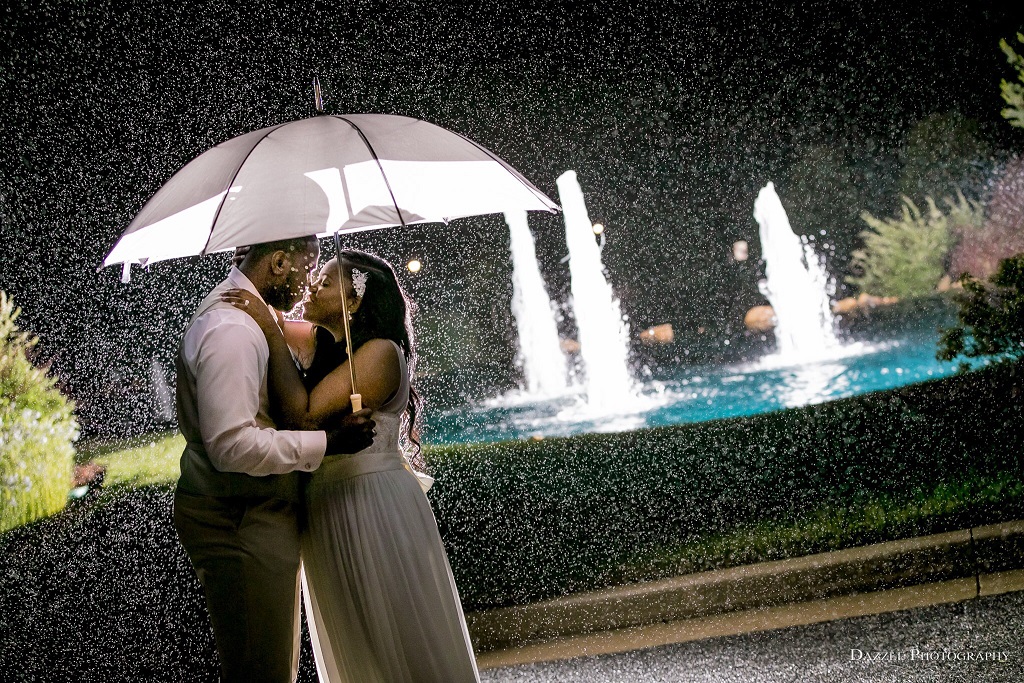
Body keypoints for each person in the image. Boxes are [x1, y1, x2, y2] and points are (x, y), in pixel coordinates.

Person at [222, 249, 480, 683]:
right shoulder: (325, 343)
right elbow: (271, 315)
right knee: (356, 642)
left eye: (325, 282)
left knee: (392, 633)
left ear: (355, 301)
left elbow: (304, 416)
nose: (312, 287)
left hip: (372, 506)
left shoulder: (380, 353)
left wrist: (268, 327)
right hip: (325, 509)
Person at [173, 236, 375, 683]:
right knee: (262, 669)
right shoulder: (232, 330)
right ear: (280, 262)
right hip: (241, 517)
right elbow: (232, 447)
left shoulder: (254, 320)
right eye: (310, 266)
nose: (310, 283)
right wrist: (328, 443)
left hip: (252, 511)